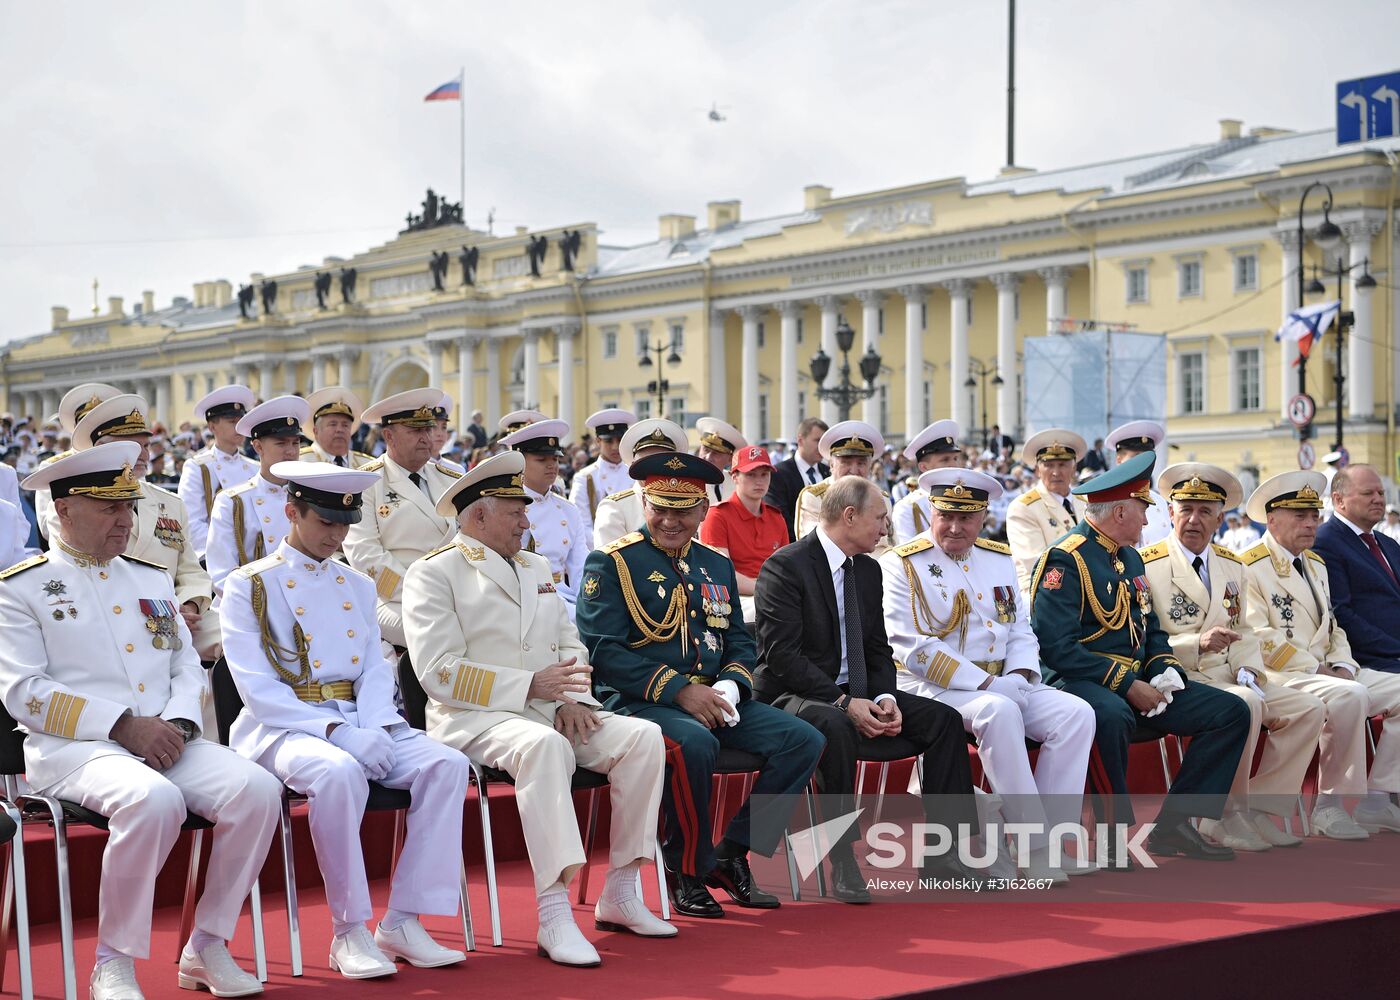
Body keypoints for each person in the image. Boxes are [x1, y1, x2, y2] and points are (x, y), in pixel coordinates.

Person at [1, 443, 280, 1000]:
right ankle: (114, 961)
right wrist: (122, 725)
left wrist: (179, 723)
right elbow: (24, 692)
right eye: (109, 507)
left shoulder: (150, 579)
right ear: (64, 509)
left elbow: (185, 663)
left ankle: (207, 944)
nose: (126, 519)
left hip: (165, 736)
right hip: (75, 748)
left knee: (258, 790)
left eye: (128, 506)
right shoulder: (21, 588)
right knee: (154, 801)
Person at [404, 452, 673, 966]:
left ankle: (621, 890)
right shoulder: (434, 573)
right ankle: (554, 912)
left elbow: (570, 641)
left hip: (550, 707)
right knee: (546, 747)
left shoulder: (534, 566)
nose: (526, 523)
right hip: (474, 718)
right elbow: (438, 672)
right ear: (478, 515)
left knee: (642, 738)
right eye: (514, 513)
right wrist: (530, 686)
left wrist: (573, 696)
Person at [221, 462, 469, 978]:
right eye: (325, 522)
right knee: (339, 773)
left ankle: (402, 921)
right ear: (292, 512)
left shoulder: (355, 583)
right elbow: (258, 689)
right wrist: (339, 733)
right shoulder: (251, 584)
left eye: (344, 524)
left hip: (361, 717)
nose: (336, 536)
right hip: (284, 726)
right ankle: (349, 929)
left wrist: (375, 727)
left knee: (447, 765)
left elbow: (376, 667)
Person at [576, 453, 824, 918]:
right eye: (660, 508)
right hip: (641, 701)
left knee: (803, 740)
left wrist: (731, 686)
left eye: (683, 511)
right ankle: (686, 867)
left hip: (713, 695)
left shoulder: (713, 564)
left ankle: (734, 851)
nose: (670, 521)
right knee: (694, 744)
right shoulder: (612, 562)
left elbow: (737, 640)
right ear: (644, 504)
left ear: (703, 510)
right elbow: (603, 651)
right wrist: (679, 690)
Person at [755, 475, 982, 899]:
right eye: (880, 518)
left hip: (854, 691)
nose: (886, 528)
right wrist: (844, 702)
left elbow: (877, 648)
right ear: (849, 516)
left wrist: (884, 698)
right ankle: (842, 857)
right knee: (836, 726)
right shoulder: (786, 566)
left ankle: (945, 854)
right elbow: (782, 657)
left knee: (944, 721)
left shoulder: (867, 569)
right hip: (794, 695)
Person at [1029, 451, 1250, 863]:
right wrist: (1128, 685)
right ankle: (1111, 838)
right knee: (1110, 715)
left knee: (1230, 712)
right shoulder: (1066, 559)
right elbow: (1056, 648)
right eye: (1142, 510)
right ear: (1119, 513)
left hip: (1137, 680)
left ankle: (1175, 825)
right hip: (1079, 681)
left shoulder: (1129, 556)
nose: (1148, 521)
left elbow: (1150, 628)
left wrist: (1164, 670)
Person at [880, 468, 1096, 878]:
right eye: (946, 516)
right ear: (931, 512)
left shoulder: (997, 558)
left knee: (1076, 714)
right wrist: (990, 684)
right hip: (932, 687)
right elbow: (913, 647)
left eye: (966, 518)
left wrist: (1020, 675)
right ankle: (1033, 847)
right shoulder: (902, 563)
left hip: (1003, 681)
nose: (955, 527)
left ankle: (1053, 841)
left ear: (982, 518)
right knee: (1000, 711)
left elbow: (1020, 628)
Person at [1138, 464, 1323, 851]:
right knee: (1246, 704)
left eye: (1205, 511)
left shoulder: (1231, 564)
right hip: (1182, 676)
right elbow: (1141, 640)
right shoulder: (1148, 564)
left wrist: (1248, 668)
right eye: (1186, 509)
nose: (1194, 519)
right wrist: (1196, 643)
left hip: (1230, 674)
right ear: (1170, 513)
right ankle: (1222, 814)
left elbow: (1245, 631)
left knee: (1308, 708)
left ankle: (1259, 808)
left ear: (1220, 519)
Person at [1240, 470, 1400, 837]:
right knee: (1350, 695)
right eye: (1300, 516)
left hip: (1329, 671)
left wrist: (1343, 662)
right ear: (1272, 519)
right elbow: (1259, 637)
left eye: (1314, 515)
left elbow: (1333, 625)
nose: (1311, 524)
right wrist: (1319, 669)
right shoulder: (1249, 565)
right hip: (1282, 674)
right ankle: (1329, 806)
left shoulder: (1313, 564)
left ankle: (1378, 799)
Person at [63, 394, 220, 665]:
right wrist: (166, 612)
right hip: (117, 616)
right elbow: (83, 574)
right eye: (133, 446)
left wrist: (189, 604)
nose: (144, 454)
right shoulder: (79, 504)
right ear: (101, 449)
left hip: (180, 614)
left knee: (240, 638)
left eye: (146, 445)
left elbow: (190, 570)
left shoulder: (170, 503)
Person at [342, 389, 462, 648]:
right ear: (389, 436)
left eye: (428, 429)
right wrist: (422, 591)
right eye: (415, 431)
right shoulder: (366, 482)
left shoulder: (450, 479)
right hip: (394, 597)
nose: (426, 438)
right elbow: (365, 554)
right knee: (439, 636)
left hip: (457, 592)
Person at [206, 396, 311, 598]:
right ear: (258, 447)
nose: (291, 451)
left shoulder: (311, 496)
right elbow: (222, 575)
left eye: (295, 443)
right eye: (281, 443)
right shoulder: (232, 502)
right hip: (250, 602)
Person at [497, 419, 590, 617]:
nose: (551, 466)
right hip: (525, 597)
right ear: (520, 461)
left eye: (555, 459)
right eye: (541, 460)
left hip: (564, 594)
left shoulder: (568, 510)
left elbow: (580, 567)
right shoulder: (507, 507)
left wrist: (589, 602)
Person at [1313, 464, 1400, 674]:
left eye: (1381, 493)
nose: (1378, 499)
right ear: (1339, 500)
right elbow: (1341, 615)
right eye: (1368, 493)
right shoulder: (1325, 542)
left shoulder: (1388, 544)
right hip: (1374, 661)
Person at [698, 445, 789, 622]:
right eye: (751, 474)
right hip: (733, 599)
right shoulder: (717, 516)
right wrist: (766, 589)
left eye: (764, 474)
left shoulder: (776, 518)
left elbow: (785, 568)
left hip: (772, 596)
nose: (759, 481)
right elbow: (720, 573)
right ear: (735, 477)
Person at [179, 386, 259, 564]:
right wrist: (225, 558)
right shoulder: (198, 467)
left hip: (255, 559)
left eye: (241, 421)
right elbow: (192, 521)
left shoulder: (255, 468)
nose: (239, 427)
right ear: (212, 426)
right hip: (215, 559)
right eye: (232, 421)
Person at [33, 382, 122, 541]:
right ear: (75, 428)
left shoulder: (122, 463)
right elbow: (47, 527)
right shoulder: (53, 467)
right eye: (87, 425)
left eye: (101, 425)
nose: (94, 431)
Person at [1006, 429, 1087, 599]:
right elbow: (1037, 564)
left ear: (1074, 468)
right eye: (1049, 465)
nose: (1056, 472)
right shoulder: (1023, 507)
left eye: (1062, 464)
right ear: (1037, 470)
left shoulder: (1086, 501)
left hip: (1088, 592)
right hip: (1046, 595)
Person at [792, 420, 895, 554]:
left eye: (861, 463)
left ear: (870, 466)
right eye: (846, 463)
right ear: (831, 465)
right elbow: (814, 548)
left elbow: (889, 548)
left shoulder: (882, 499)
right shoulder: (814, 498)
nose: (854, 470)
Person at [590, 418, 689, 549]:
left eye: (663, 463)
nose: (655, 470)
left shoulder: (688, 504)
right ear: (634, 467)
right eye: (646, 464)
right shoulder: (615, 508)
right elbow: (610, 559)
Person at [890, 420, 963, 544]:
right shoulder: (908, 507)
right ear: (924, 467)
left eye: (955, 458)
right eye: (945, 460)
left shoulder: (965, 499)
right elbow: (907, 552)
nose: (953, 465)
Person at [568, 408, 636, 532]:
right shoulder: (585, 477)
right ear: (598, 441)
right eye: (608, 441)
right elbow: (580, 525)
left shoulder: (636, 473)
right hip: (600, 542)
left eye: (620, 440)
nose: (615, 447)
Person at [1105, 420, 1171, 546]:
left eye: (1148, 457)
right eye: (1136, 457)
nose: (1143, 463)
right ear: (1119, 460)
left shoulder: (1159, 501)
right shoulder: (1105, 500)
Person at [765, 416, 828, 541]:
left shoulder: (829, 472)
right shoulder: (779, 474)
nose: (821, 446)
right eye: (817, 440)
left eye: (824, 442)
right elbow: (779, 517)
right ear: (800, 440)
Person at [300, 386, 373, 468]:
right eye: (333, 424)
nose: (340, 430)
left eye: (345, 425)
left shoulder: (366, 464)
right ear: (316, 431)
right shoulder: (301, 462)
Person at [695, 417, 747, 504]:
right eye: (705, 450)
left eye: (716, 453)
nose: (708, 457)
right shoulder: (687, 481)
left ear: (730, 459)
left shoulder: (736, 483)